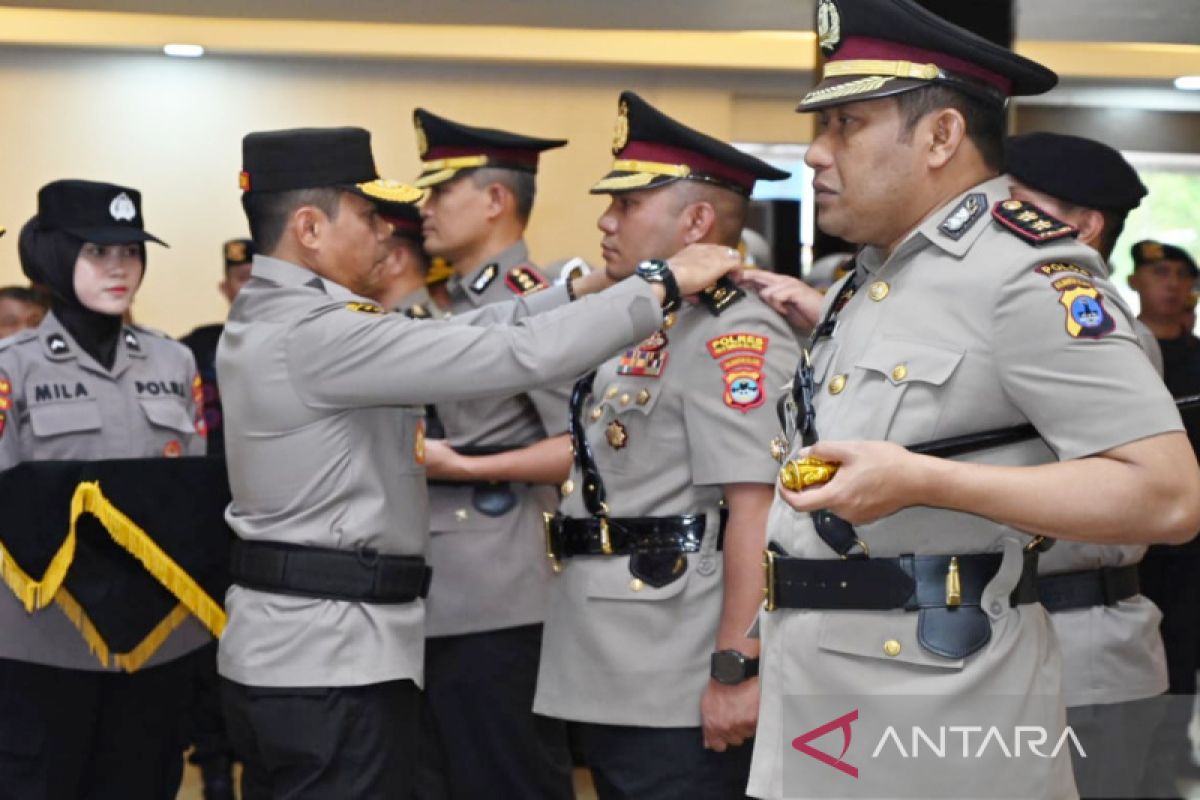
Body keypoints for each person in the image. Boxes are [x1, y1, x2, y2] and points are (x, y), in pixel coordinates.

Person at [747, 2, 1200, 798]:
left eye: (846, 123)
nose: (816, 155)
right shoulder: (876, 275)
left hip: (939, 704)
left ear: (941, 137)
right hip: (827, 689)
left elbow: (1166, 495)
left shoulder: (1022, 271)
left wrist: (928, 481)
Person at [215, 125, 741, 800]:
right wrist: (657, 287)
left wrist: (578, 292)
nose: (388, 232)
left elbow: (456, 334)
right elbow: (509, 358)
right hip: (328, 663)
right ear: (310, 228)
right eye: (372, 215)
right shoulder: (315, 332)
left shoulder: (284, 316)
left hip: (305, 652)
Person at [524, 90, 800, 799]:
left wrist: (736, 666)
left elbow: (755, 509)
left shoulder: (734, 333)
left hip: (676, 670)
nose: (604, 220)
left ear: (696, 222)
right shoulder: (640, 320)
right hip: (614, 660)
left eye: (626, 205)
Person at [0, 179, 210, 798]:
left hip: (156, 645)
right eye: (97, 251)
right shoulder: (13, 367)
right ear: (54, 257)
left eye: (131, 252)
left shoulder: (174, 363)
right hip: (47, 642)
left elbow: (190, 497)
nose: (120, 268)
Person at [404, 108, 579, 799]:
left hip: (501, 593)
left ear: (496, 200)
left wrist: (470, 468)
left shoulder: (540, 304)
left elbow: (583, 449)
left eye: (440, 191)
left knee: (506, 778)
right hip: (440, 587)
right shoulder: (451, 305)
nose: (423, 208)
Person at [1004, 131, 1171, 797]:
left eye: (1016, 205)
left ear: (1083, 226)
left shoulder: (1088, 323)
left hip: (1083, 652)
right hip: (1022, 640)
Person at [1128, 238, 1200, 795]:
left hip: (1193, 536)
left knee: (1186, 645)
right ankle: (1148, 750)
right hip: (1140, 534)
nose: (1172, 284)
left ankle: (1173, 747)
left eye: (1181, 275)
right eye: (1160, 273)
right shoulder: (1120, 351)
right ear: (1135, 283)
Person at [180, 238, 253, 459]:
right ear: (225, 288)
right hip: (210, 473)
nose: (254, 289)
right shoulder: (194, 349)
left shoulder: (302, 346)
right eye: (243, 279)